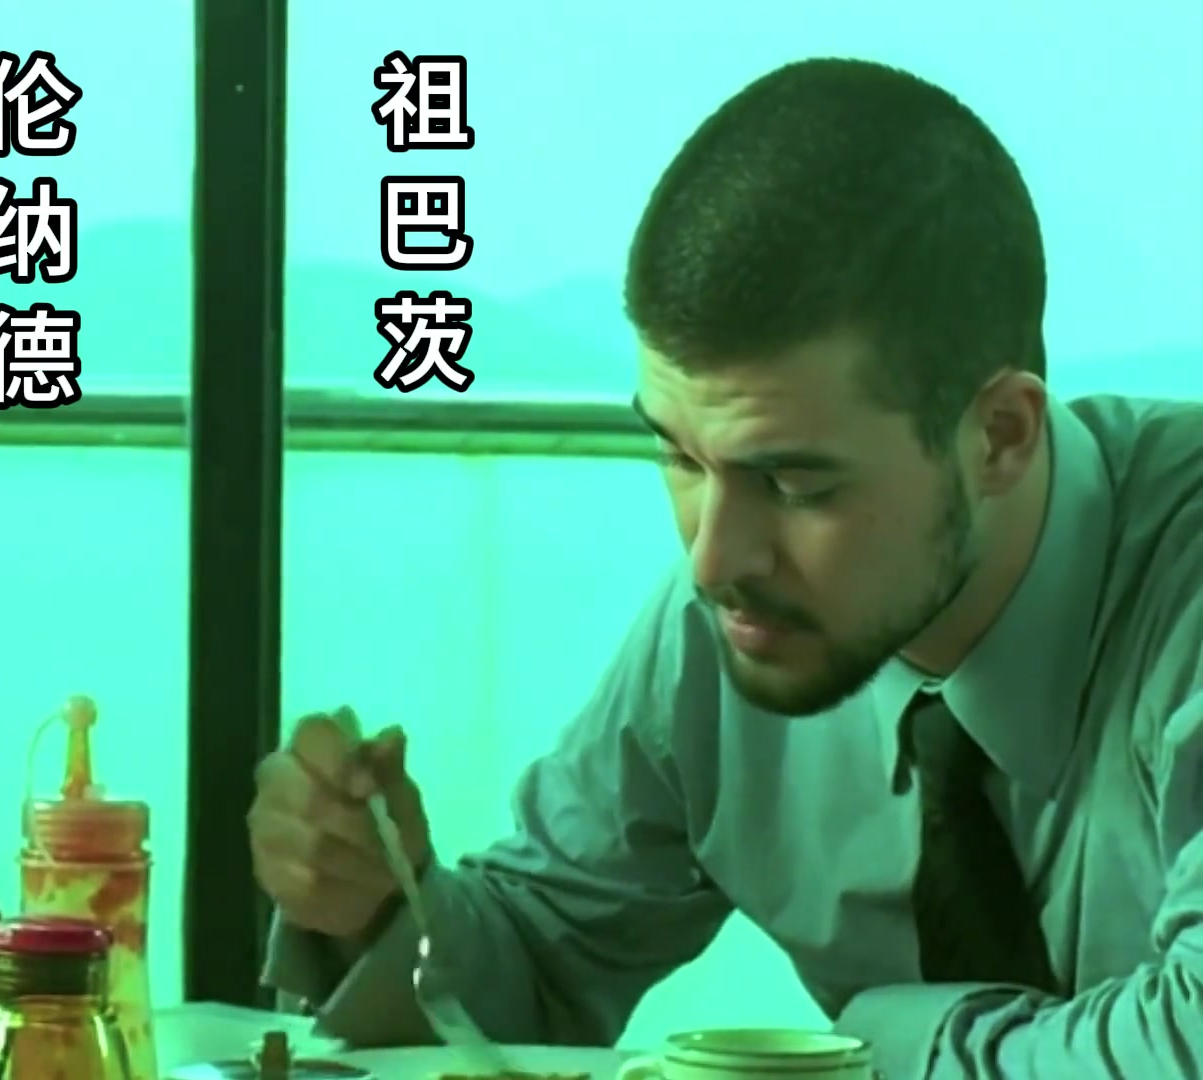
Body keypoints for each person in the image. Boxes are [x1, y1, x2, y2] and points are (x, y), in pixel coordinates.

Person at [250, 57, 1201, 1080]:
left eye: (793, 482)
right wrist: (377, 904)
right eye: (680, 457)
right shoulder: (728, 622)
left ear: (1001, 436)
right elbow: (541, 947)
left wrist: (878, 1044)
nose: (711, 559)